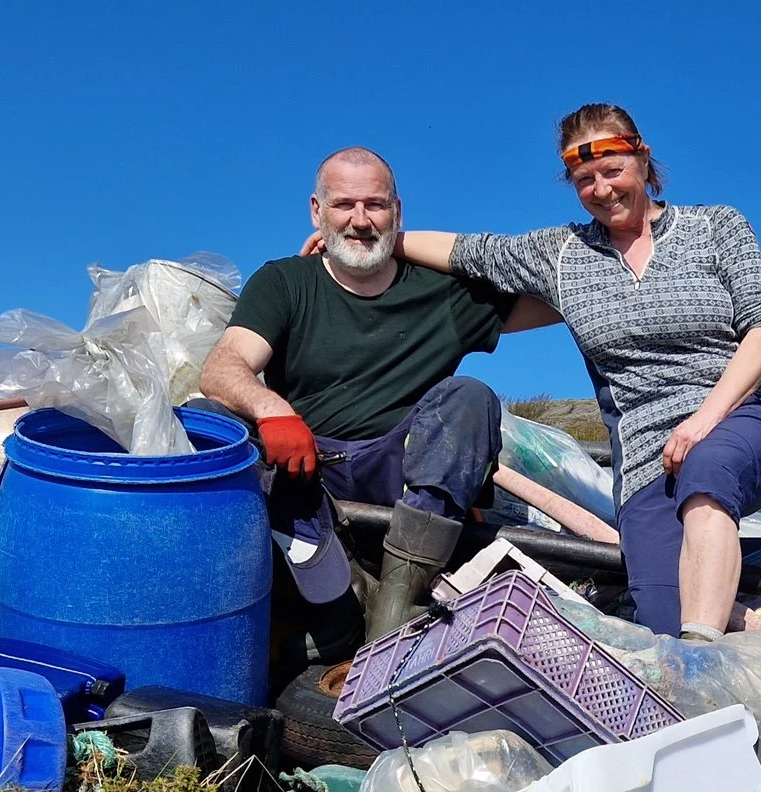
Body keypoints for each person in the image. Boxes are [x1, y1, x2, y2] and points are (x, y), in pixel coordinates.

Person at [391, 104, 761, 641]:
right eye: (585, 180)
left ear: (643, 160)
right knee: (659, 617)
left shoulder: (715, 226)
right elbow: (470, 252)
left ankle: (699, 664)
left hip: (740, 417)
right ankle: (730, 667)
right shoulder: (563, 254)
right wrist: (374, 238)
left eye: (612, 171)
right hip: (648, 459)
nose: (602, 189)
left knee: (707, 474)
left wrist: (702, 421)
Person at [198, 147, 555, 651]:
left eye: (376, 206)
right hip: (308, 467)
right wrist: (274, 409)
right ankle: (316, 606)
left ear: (398, 213)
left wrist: (404, 246)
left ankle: (395, 608)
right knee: (206, 421)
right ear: (316, 212)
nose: (361, 221)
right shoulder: (285, 282)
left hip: (404, 467)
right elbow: (221, 368)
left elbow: (564, 291)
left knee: (470, 396)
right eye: (344, 205)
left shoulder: (446, 293)